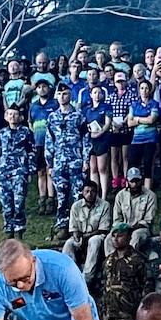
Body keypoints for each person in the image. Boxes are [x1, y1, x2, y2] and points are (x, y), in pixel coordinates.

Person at [45, 84, 91, 239]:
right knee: (62, 197)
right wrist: (50, 164)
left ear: (70, 96)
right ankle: (62, 225)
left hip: (76, 161)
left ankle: (78, 226)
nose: (63, 97)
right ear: (56, 96)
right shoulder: (52, 117)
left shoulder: (79, 116)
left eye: (65, 94)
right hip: (59, 163)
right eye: (60, 94)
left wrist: (86, 160)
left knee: (78, 196)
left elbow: (86, 139)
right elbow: (49, 141)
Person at [101, 222, 149, 320]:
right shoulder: (109, 261)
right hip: (111, 317)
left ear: (128, 237)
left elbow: (147, 286)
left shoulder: (138, 260)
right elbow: (104, 286)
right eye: (114, 236)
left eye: (120, 236)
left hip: (129, 316)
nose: (116, 239)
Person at [0, 105, 34, 239]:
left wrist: (30, 171)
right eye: (9, 114)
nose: (12, 117)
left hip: (19, 172)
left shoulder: (26, 132)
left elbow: (32, 151)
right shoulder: (2, 133)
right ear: (6, 116)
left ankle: (19, 232)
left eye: (15, 114)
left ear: (20, 117)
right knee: (6, 204)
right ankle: (8, 233)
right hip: (3, 173)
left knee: (19, 203)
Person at [62, 180, 112, 284]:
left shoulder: (104, 205)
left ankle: (87, 277)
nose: (90, 194)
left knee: (94, 241)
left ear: (97, 192)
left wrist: (87, 236)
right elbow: (73, 228)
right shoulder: (76, 206)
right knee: (69, 244)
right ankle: (70, 274)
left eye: (93, 191)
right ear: (82, 192)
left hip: (97, 235)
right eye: (87, 191)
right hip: (80, 235)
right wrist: (76, 237)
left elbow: (104, 228)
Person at [105, 167, 157, 255]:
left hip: (141, 229)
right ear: (127, 182)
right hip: (122, 229)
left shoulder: (150, 196)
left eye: (137, 181)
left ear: (141, 180)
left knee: (135, 237)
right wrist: (123, 229)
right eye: (132, 181)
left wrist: (131, 229)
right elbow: (117, 219)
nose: (135, 184)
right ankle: (112, 263)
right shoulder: (120, 195)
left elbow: (148, 220)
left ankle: (128, 262)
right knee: (109, 239)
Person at [28, 78, 59, 215]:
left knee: (50, 171)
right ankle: (42, 199)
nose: (42, 89)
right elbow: (30, 122)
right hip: (38, 143)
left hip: (52, 143)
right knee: (40, 172)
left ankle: (51, 199)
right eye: (39, 87)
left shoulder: (55, 104)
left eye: (44, 86)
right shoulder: (33, 106)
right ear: (36, 90)